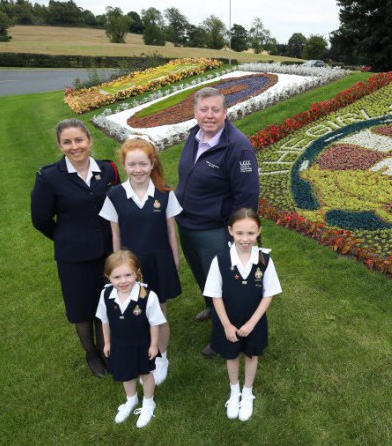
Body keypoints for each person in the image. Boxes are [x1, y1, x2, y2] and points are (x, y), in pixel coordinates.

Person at [31, 118, 120, 378]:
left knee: (106, 303)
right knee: (81, 306)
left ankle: (107, 350)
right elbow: (40, 219)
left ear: (89, 141)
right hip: (73, 256)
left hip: (107, 252)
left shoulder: (108, 169)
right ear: (60, 146)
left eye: (79, 140)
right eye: (67, 142)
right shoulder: (48, 177)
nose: (74, 146)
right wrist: (65, 238)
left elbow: (117, 204)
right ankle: (91, 353)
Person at [176, 87, 260, 358]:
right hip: (188, 223)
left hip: (214, 229)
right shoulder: (194, 135)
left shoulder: (238, 147)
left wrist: (237, 235)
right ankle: (213, 309)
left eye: (215, 110)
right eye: (204, 109)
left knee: (224, 285)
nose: (209, 115)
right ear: (195, 112)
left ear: (225, 112)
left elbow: (246, 197)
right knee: (203, 276)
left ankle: (226, 337)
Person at [100, 137, 182, 385]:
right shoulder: (114, 196)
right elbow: (115, 234)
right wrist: (117, 268)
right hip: (129, 268)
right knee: (135, 314)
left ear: (152, 163)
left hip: (159, 263)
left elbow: (171, 233)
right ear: (124, 164)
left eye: (143, 164)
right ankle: (139, 353)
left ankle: (161, 356)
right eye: (132, 164)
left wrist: (174, 264)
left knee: (159, 314)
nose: (138, 170)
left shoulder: (165, 195)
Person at [203, 208, 282, 421]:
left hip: (253, 322)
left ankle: (247, 392)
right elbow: (215, 295)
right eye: (239, 233)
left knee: (251, 355)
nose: (245, 239)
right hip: (227, 321)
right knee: (231, 355)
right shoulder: (220, 260)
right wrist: (227, 325)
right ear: (230, 231)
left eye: (250, 233)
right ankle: (234, 390)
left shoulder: (264, 260)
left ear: (258, 232)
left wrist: (252, 323)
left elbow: (268, 295)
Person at [96, 250, 166, 428]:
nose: (123, 281)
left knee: (145, 373)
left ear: (137, 273)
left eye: (128, 275)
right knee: (126, 374)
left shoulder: (147, 296)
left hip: (141, 344)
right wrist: (107, 342)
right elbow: (104, 320)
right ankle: (131, 399)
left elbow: (155, 323)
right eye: (117, 277)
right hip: (119, 344)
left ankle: (149, 402)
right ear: (108, 277)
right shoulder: (106, 296)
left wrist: (153, 345)